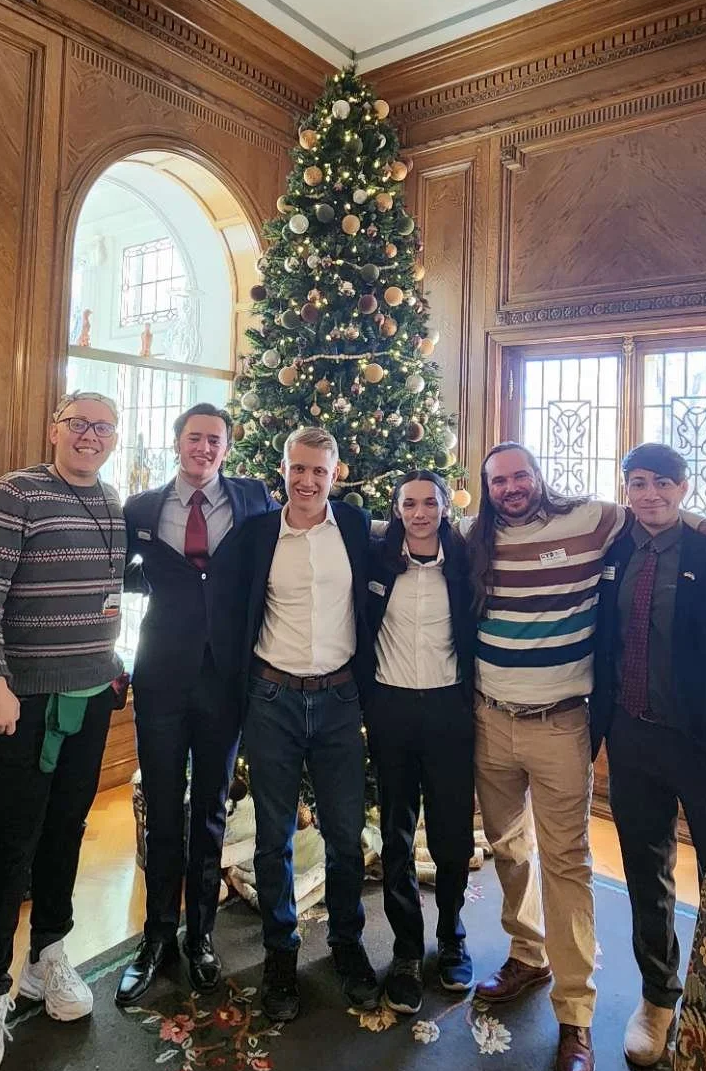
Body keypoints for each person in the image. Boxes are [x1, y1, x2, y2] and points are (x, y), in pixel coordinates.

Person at [465, 442, 706, 1071]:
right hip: (491, 719)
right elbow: (410, 526)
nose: (511, 488)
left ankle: (575, 1015)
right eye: (498, 481)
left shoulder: (592, 519)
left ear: (538, 476)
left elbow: (662, 512)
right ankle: (527, 951)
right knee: (509, 846)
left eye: (520, 475)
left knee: (566, 859)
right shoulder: (474, 536)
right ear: (487, 489)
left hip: (562, 723)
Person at [590, 442, 706, 1067]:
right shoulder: (613, 548)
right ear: (626, 489)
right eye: (638, 483)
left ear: (684, 487)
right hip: (632, 741)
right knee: (646, 876)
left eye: (663, 483)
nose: (650, 494)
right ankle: (658, 997)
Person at [0, 392, 127, 1071]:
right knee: (12, 844)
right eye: (78, 423)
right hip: (21, 704)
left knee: (66, 832)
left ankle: (47, 954)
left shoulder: (112, 501)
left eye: (102, 426)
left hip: (91, 699)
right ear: (54, 428)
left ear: (114, 438)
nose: (89, 435)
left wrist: (115, 663)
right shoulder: (16, 492)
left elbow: (105, 590)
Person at [212, 425, 377, 1024]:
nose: (307, 481)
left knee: (343, 831)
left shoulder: (357, 529)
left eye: (319, 472)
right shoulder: (257, 535)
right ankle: (281, 952)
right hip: (272, 699)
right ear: (282, 470)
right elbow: (222, 602)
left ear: (337, 476)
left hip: (339, 702)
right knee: (273, 835)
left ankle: (346, 945)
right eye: (298, 469)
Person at [116, 404, 275, 1008]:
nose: (203, 448)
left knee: (210, 808)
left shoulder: (256, 499)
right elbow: (115, 572)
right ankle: (155, 938)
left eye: (214, 440)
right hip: (160, 674)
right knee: (161, 807)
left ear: (227, 448)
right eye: (194, 437)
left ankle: (200, 936)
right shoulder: (141, 509)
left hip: (226, 680)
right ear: (176, 442)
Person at [365, 471, 477, 1016]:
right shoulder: (377, 557)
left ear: (443, 508)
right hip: (390, 710)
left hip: (450, 711)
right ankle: (407, 949)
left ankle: (452, 933)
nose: (419, 512)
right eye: (408, 503)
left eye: (429, 502)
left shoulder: (465, 560)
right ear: (396, 509)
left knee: (453, 834)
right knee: (397, 834)